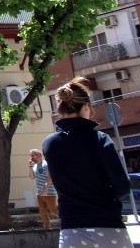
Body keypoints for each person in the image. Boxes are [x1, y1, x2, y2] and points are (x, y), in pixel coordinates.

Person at [42, 77, 132, 248]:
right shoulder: (100, 139)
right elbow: (123, 186)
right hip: (108, 225)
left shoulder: (49, 144)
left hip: (72, 228)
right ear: (85, 107)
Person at [29, 148, 59, 229]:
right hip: (39, 193)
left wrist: (46, 189)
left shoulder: (45, 164)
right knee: (42, 211)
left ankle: (69, 219)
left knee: (54, 210)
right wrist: (30, 167)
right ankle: (46, 227)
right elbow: (32, 177)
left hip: (49, 192)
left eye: (32, 155)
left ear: (39, 155)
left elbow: (50, 177)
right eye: (30, 155)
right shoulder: (35, 166)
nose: (31, 157)